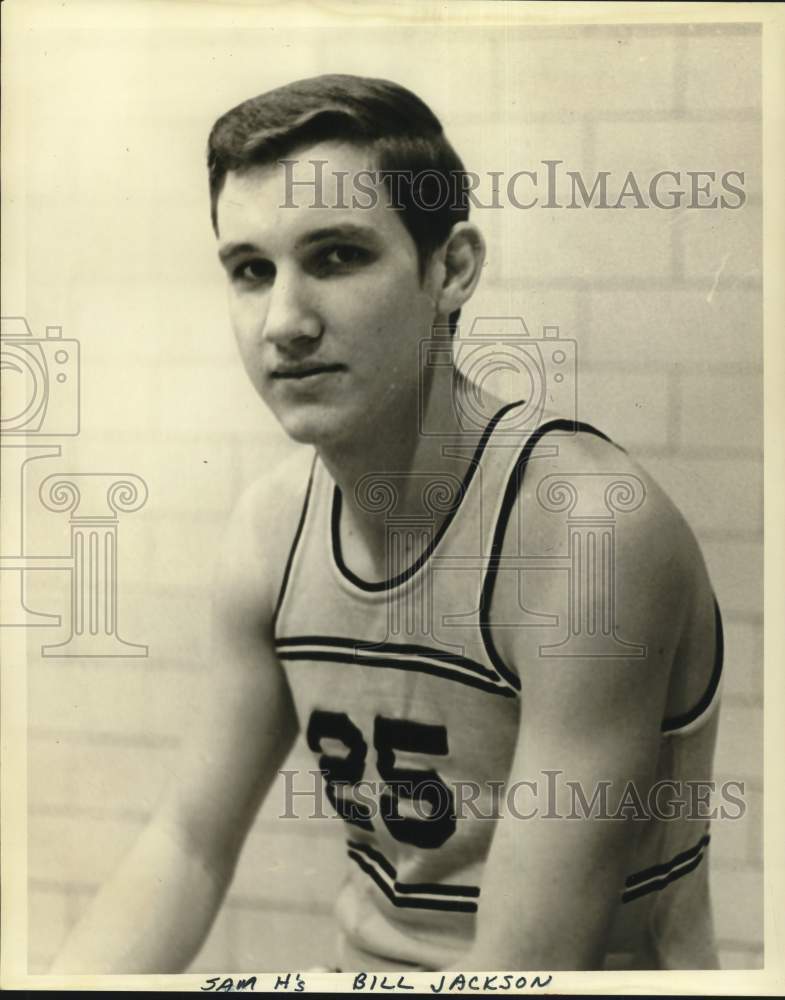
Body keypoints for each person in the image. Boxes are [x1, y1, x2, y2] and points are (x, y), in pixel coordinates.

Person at [51, 74, 723, 973]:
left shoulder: (588, 533)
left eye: (334, 257)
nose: (284, 322)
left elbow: (523, 969)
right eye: (252, 270)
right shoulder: (272, 530)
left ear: (449, 269)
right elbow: (187, 845)